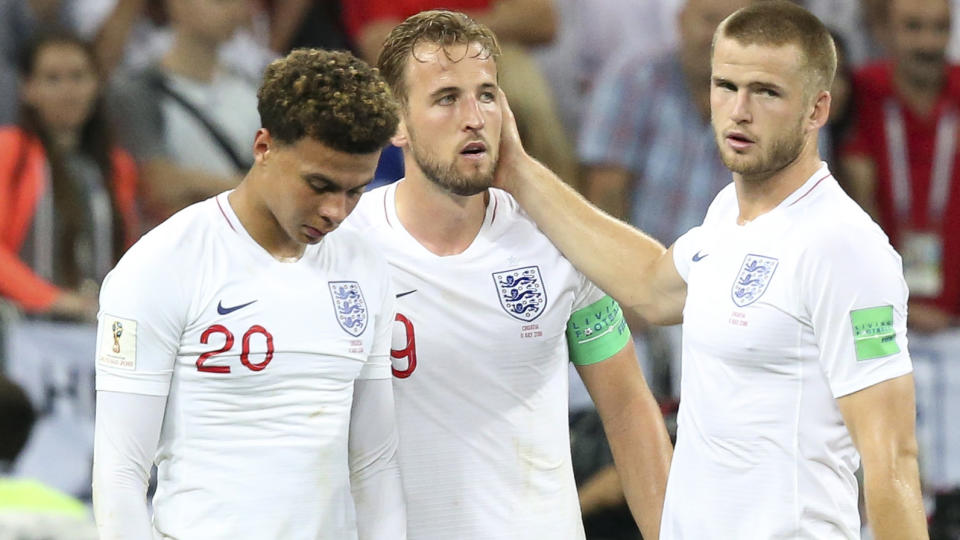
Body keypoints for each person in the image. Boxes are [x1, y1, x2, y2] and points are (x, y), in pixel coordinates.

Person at [491, 2, 928, 538]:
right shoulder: (727, 213)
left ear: (817, 111)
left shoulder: (845, 248)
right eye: (726, 86)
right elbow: (650, 285)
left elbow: (893, 459)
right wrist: (518, 171)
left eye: (767, 92)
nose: (738, 110)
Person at [341, 10, 672, 540]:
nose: (474, 116)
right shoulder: (342, 248)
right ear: (395, 122)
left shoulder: (557, 241)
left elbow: (628, 406)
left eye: (488, 95)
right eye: (447, 98)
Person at [92, 48, 405, 539]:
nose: (336, 211)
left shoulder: (364, 267)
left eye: (355, 191)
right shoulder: (161, 265)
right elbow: (119, 473)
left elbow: (376, 462)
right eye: (319, 184)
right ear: (264, 147)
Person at [0, 30, 139, 322]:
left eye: (78, 77)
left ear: (96, 85)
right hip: (21, 324)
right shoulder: (10, 151)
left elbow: (127, 253)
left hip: (95, 327)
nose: (68, 90)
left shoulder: (117, 166)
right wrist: (52, 299)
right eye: (52, 79)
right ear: (28, 88)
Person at [840, 0, 960, 334]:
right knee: (870, 387)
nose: (929, 43)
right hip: (873, 317)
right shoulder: (859, 93)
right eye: (913, 27)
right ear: (882, 30)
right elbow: (851, 204)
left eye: (941, 27)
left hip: (954, 325)